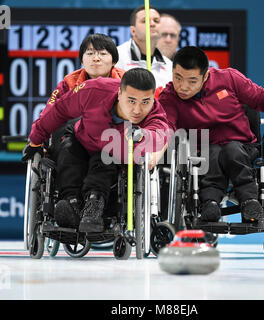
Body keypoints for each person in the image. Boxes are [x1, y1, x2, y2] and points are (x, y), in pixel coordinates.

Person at [158, 46, 264, 224]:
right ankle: (210, 203)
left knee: (231, 150)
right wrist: (152, 153)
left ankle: (250, 201)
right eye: (178, 78)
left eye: (192, 81)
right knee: (213, 152)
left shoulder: (229, 78)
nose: (183, 87)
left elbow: (262, 98)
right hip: (203, 152)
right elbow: (165, 128)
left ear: (205, 76)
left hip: (243, 147)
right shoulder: (169, 96)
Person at [22, 68, 170, 233]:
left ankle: (94, 207)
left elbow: (161, 132)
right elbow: (59, 110)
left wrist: (143, 134)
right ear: (119, 93)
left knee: (105, 158)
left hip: (114, 155)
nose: (137, 110)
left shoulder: (154, 110)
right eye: (131, 101)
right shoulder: (94, 90)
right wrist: (35, 140)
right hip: (82, 140)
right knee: (68, 149)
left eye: (145, 102)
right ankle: (71, 204)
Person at [43, 33, 125, 158]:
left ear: (114, 60)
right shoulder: (68, 82)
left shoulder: (127, 82)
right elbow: (50, 113)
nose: (96, 58)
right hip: (74, 140)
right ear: (81, 60)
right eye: (90, 53)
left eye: (102, 54)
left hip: (112, 140)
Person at [116, 5, 172, 89]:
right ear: (133, 31)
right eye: (145, 21)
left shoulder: (169, 66)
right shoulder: (117, 58)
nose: (152, 24)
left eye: (156, 21)